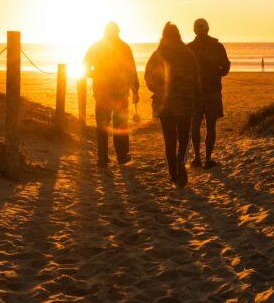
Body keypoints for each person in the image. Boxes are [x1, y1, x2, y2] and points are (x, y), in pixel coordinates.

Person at [144, 21, 199, 187]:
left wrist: (157, 89)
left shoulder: (158, 53)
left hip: (165, 104)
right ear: (178, 35)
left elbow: (148, 77)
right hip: (185, 102)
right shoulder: (188, 54)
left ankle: (173, 173)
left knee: (170, 139)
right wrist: (197, 99)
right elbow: (196, 79)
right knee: (183, 138)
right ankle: (181, 165)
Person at [83, 22, 139, 169]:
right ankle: (121, 156)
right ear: (118, 31)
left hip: (102, 92)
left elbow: (85, 64)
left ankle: (103, 158)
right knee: (120, 126)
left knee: (103, 126)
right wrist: (135, 90)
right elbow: (131, 69)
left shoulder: (97, 46)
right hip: (119, 93)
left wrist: (93, 74)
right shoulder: (124, 47)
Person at [187, 17, 231, 168]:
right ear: (208, 29)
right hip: (212, 91)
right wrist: (217, 73)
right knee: (211, 126)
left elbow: (184, 71)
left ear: (194, 30)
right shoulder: (217, 46)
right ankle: (207, 158)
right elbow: (225, 67)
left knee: (195, 125)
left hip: (195, 93)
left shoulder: (189, 48)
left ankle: (197, 157)